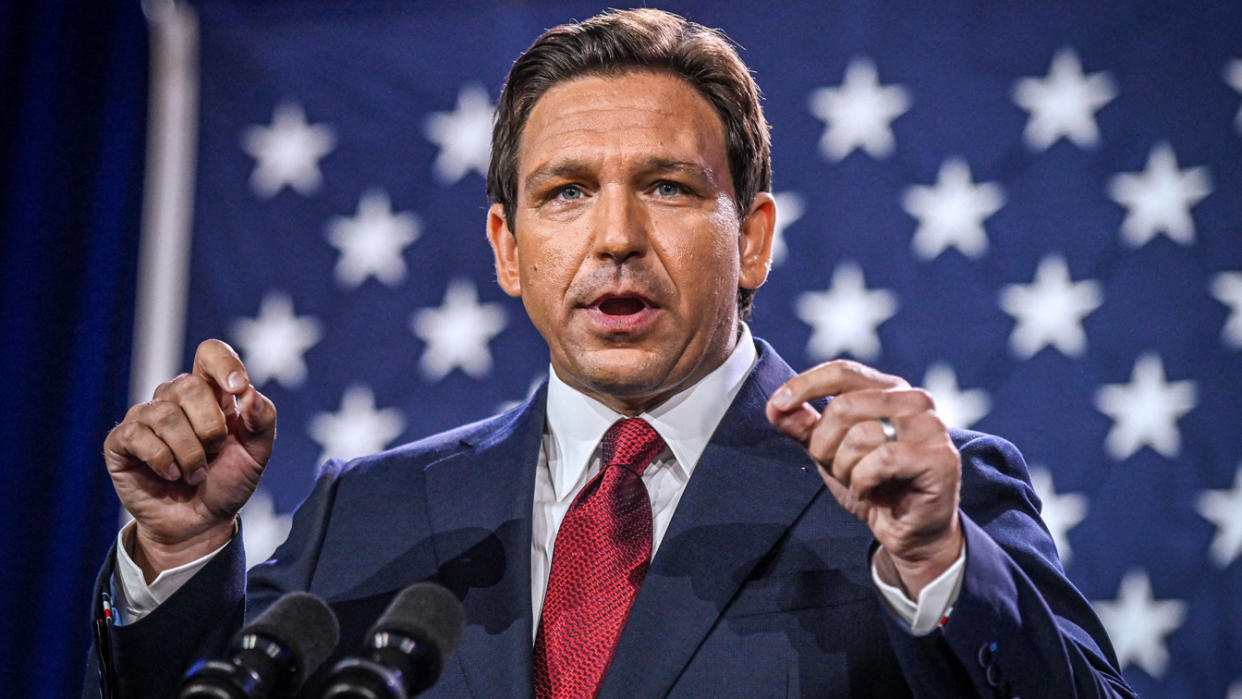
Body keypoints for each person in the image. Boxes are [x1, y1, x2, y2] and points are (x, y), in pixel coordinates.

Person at [87, 8, 1134, 698]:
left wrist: (936, 563)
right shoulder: (369, 514)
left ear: (755, 236)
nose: (617, 236)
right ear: (507, 248)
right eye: (566, 192)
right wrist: (178, 554)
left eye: (670, 187)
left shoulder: (917, 501)